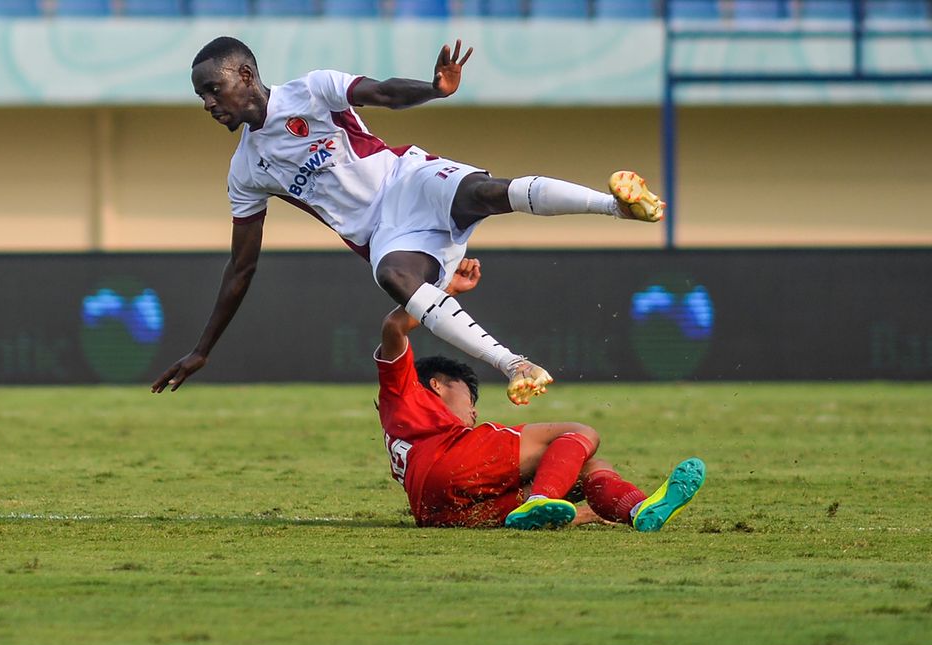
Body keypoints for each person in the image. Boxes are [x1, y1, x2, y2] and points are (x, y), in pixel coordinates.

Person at [151, 36, 665, 405]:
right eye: (202, 95)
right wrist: (202, 350)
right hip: (385, 236)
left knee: (487, 192)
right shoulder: (246, 169)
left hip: (407, 177)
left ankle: (618, 206)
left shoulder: (312, 90)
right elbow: (241, 268)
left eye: (212, 89)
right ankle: (517, 365)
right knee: (392, 275)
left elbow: (385, 93)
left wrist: (434, 88)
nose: (208, 103)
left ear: (245, 75)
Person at [376, 258, 705, 530]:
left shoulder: (399, 426)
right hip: (447, 464)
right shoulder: (405, 388)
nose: (473, 412)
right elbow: (394, 327)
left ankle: (637, 511)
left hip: (439, 514)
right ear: (437, 384)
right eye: (468, 397)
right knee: (579, 432)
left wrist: (585, 513)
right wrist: (446, 289)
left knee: (588, 468)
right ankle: (540, 499)